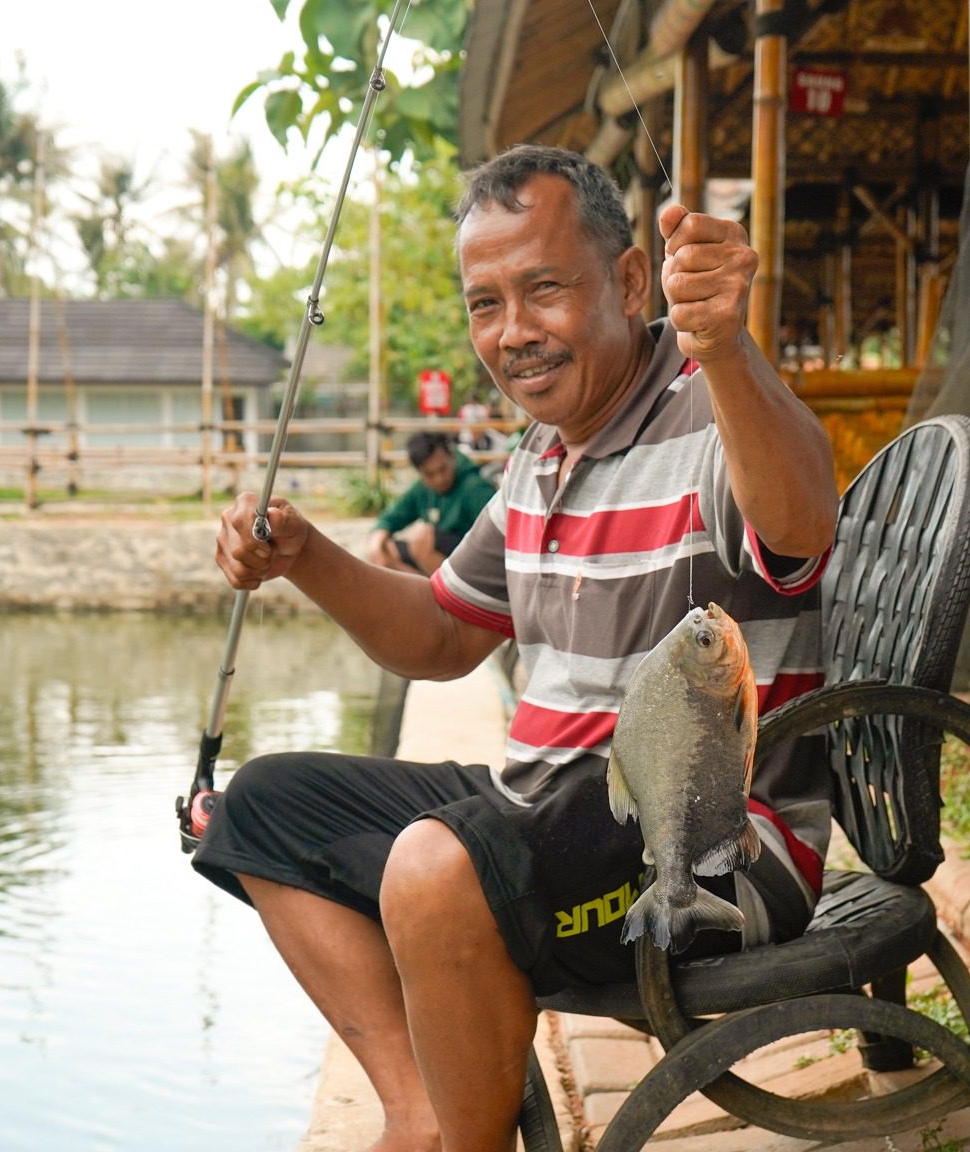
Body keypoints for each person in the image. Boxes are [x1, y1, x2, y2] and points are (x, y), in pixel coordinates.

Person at [202, 145, 838, 1152]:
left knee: (433, 867)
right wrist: (306, 554)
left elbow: (801, 520)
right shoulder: (540, 452)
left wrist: (727, 348)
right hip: (546, 805)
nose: (512, 333)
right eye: (484, 303)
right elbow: (446, 633)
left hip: (705, 837)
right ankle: (417, 1112)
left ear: (630, 282)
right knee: (259, 808)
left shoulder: (707, 406)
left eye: (543, 289)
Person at [368, 431, 498, 576]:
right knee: (388, 549)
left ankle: (449, 593)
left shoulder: (475, 487)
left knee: (422, 537)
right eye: (429, 474)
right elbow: (390, 518)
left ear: (452, 457)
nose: (439, 479)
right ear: (419, 472)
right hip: (439, 560)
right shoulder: (422, 489)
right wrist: (377, 544)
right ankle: (426, 589)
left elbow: (495, 539)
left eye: (443, 469)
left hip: (472, 562)